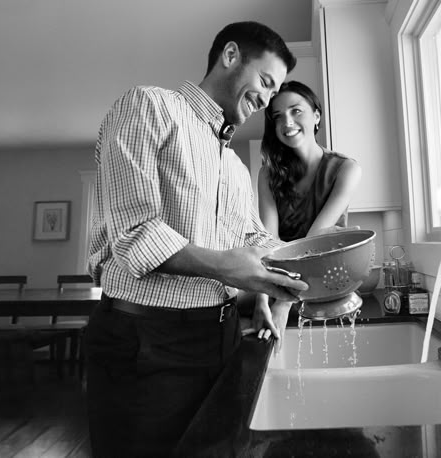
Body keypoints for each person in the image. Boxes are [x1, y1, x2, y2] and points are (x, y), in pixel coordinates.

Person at [84, 22, 309, 457]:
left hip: (221, 337)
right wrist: (233, 270)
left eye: (274, 91)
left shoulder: (234, 167)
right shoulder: (149, 106)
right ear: (229, 56)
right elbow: (135, 233)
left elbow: (251, 237)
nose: (267, 100)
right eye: (264, 82)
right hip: (145, 340)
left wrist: (276, 283)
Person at [251, 80, 361, 349]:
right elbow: (269, 242)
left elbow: (314, 242)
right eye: (277, 116)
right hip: (278, 279)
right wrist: (261, 300)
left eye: (296, 110)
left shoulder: (346, 169)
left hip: (326, 283)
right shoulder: (267, 175)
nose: (286, 121)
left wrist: (284, 303)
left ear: (317, 115)